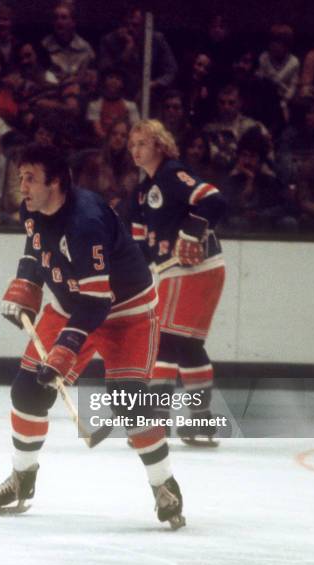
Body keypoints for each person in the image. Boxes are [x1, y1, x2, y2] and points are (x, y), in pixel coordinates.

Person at [0, 143, 184, 528]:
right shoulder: (33, 206)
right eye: (20, 177)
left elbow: (97, 302)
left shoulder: (85, 221)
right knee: (27, 391)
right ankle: (22, 478)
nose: (21, 186)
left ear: (55, 183)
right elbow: (35, 246)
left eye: (30, 179)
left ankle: (164, 485)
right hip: (71, 303)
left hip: (125, 312)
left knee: (129, 402)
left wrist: (63, 351)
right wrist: (27, 284)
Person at [128, 119, 226, 445]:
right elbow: (139, 243)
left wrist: (191, 230)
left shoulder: (172, 174)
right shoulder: (142, 192)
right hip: (196, 270)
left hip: (190, 269)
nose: (135, 149)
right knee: (188, 346)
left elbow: (214, 200)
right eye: (132, 145)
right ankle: (201, 421)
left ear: (159, 144)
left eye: (142, 142)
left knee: (163, 343)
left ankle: (155, 422)